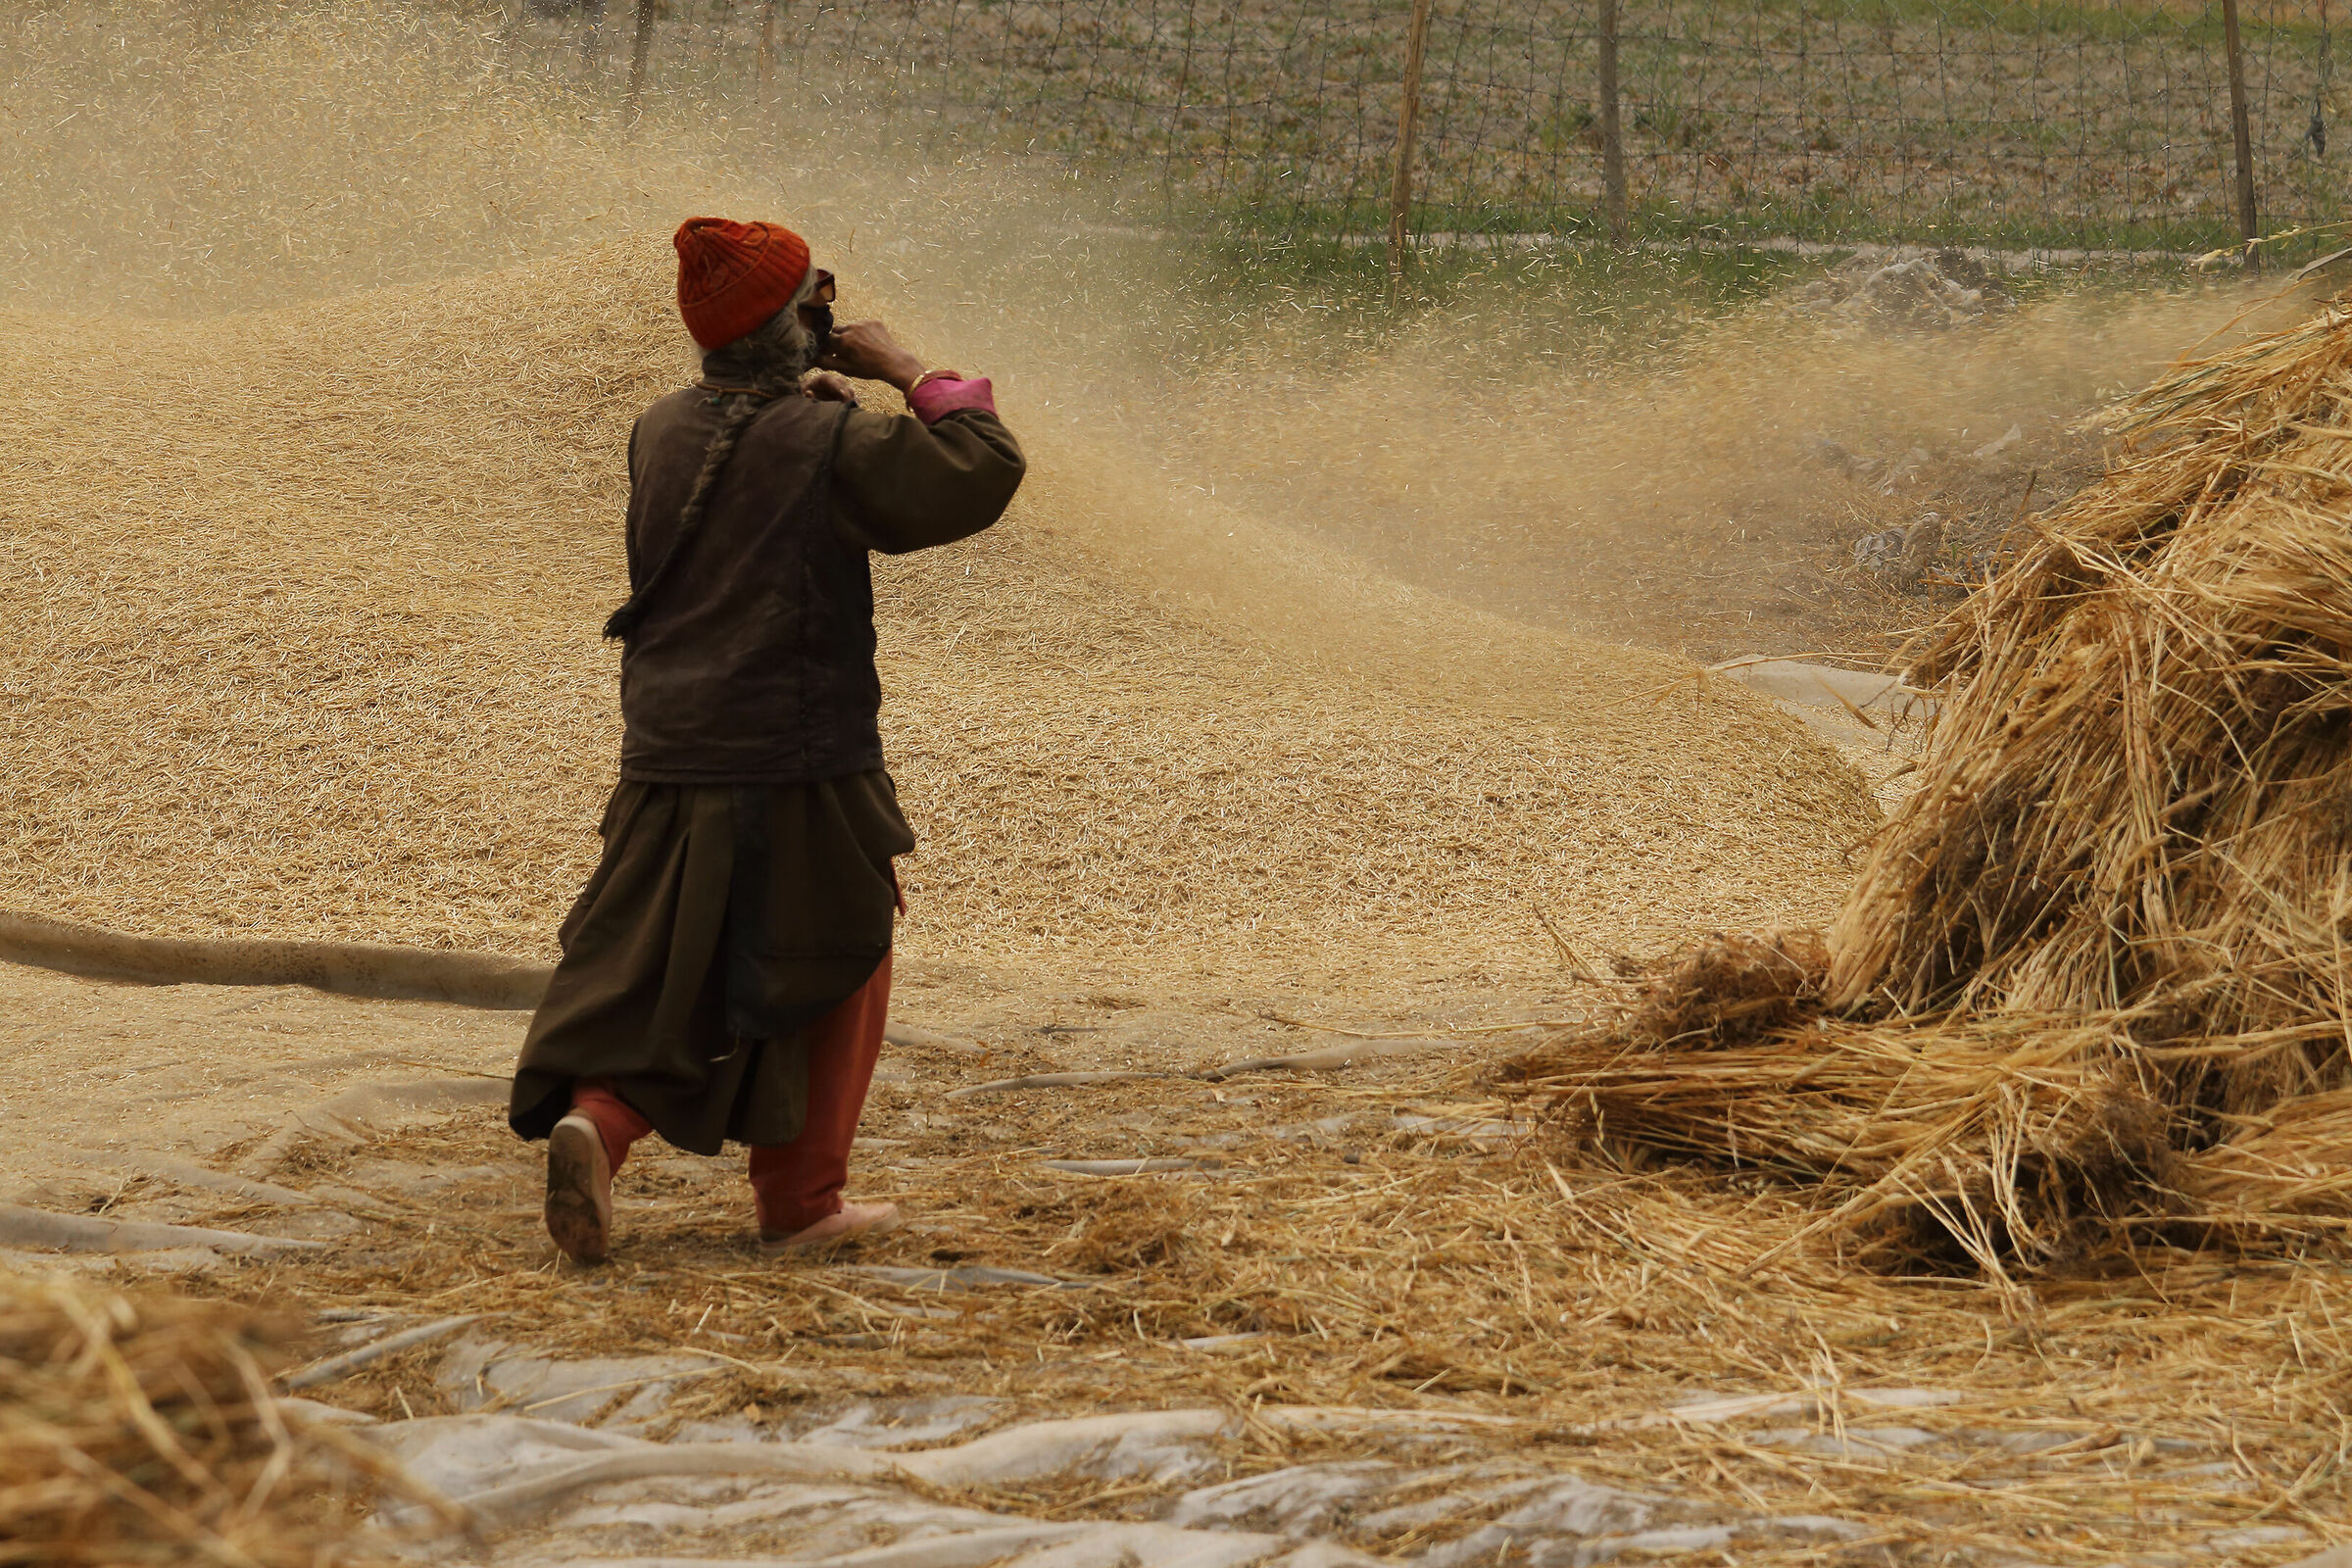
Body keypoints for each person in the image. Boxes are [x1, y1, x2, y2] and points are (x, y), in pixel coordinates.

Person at [509, 216, 1024, 1263]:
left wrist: (811, 398)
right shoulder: (831, 438)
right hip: (795, 753)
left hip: (667, 746)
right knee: (838, 948)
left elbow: (752, 461)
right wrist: (901, 368)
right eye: (816, 297)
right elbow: (981, 469)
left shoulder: (659, 425)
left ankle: (598, 1128)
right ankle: (801, 1200)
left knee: (664, 963)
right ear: (800, 327)